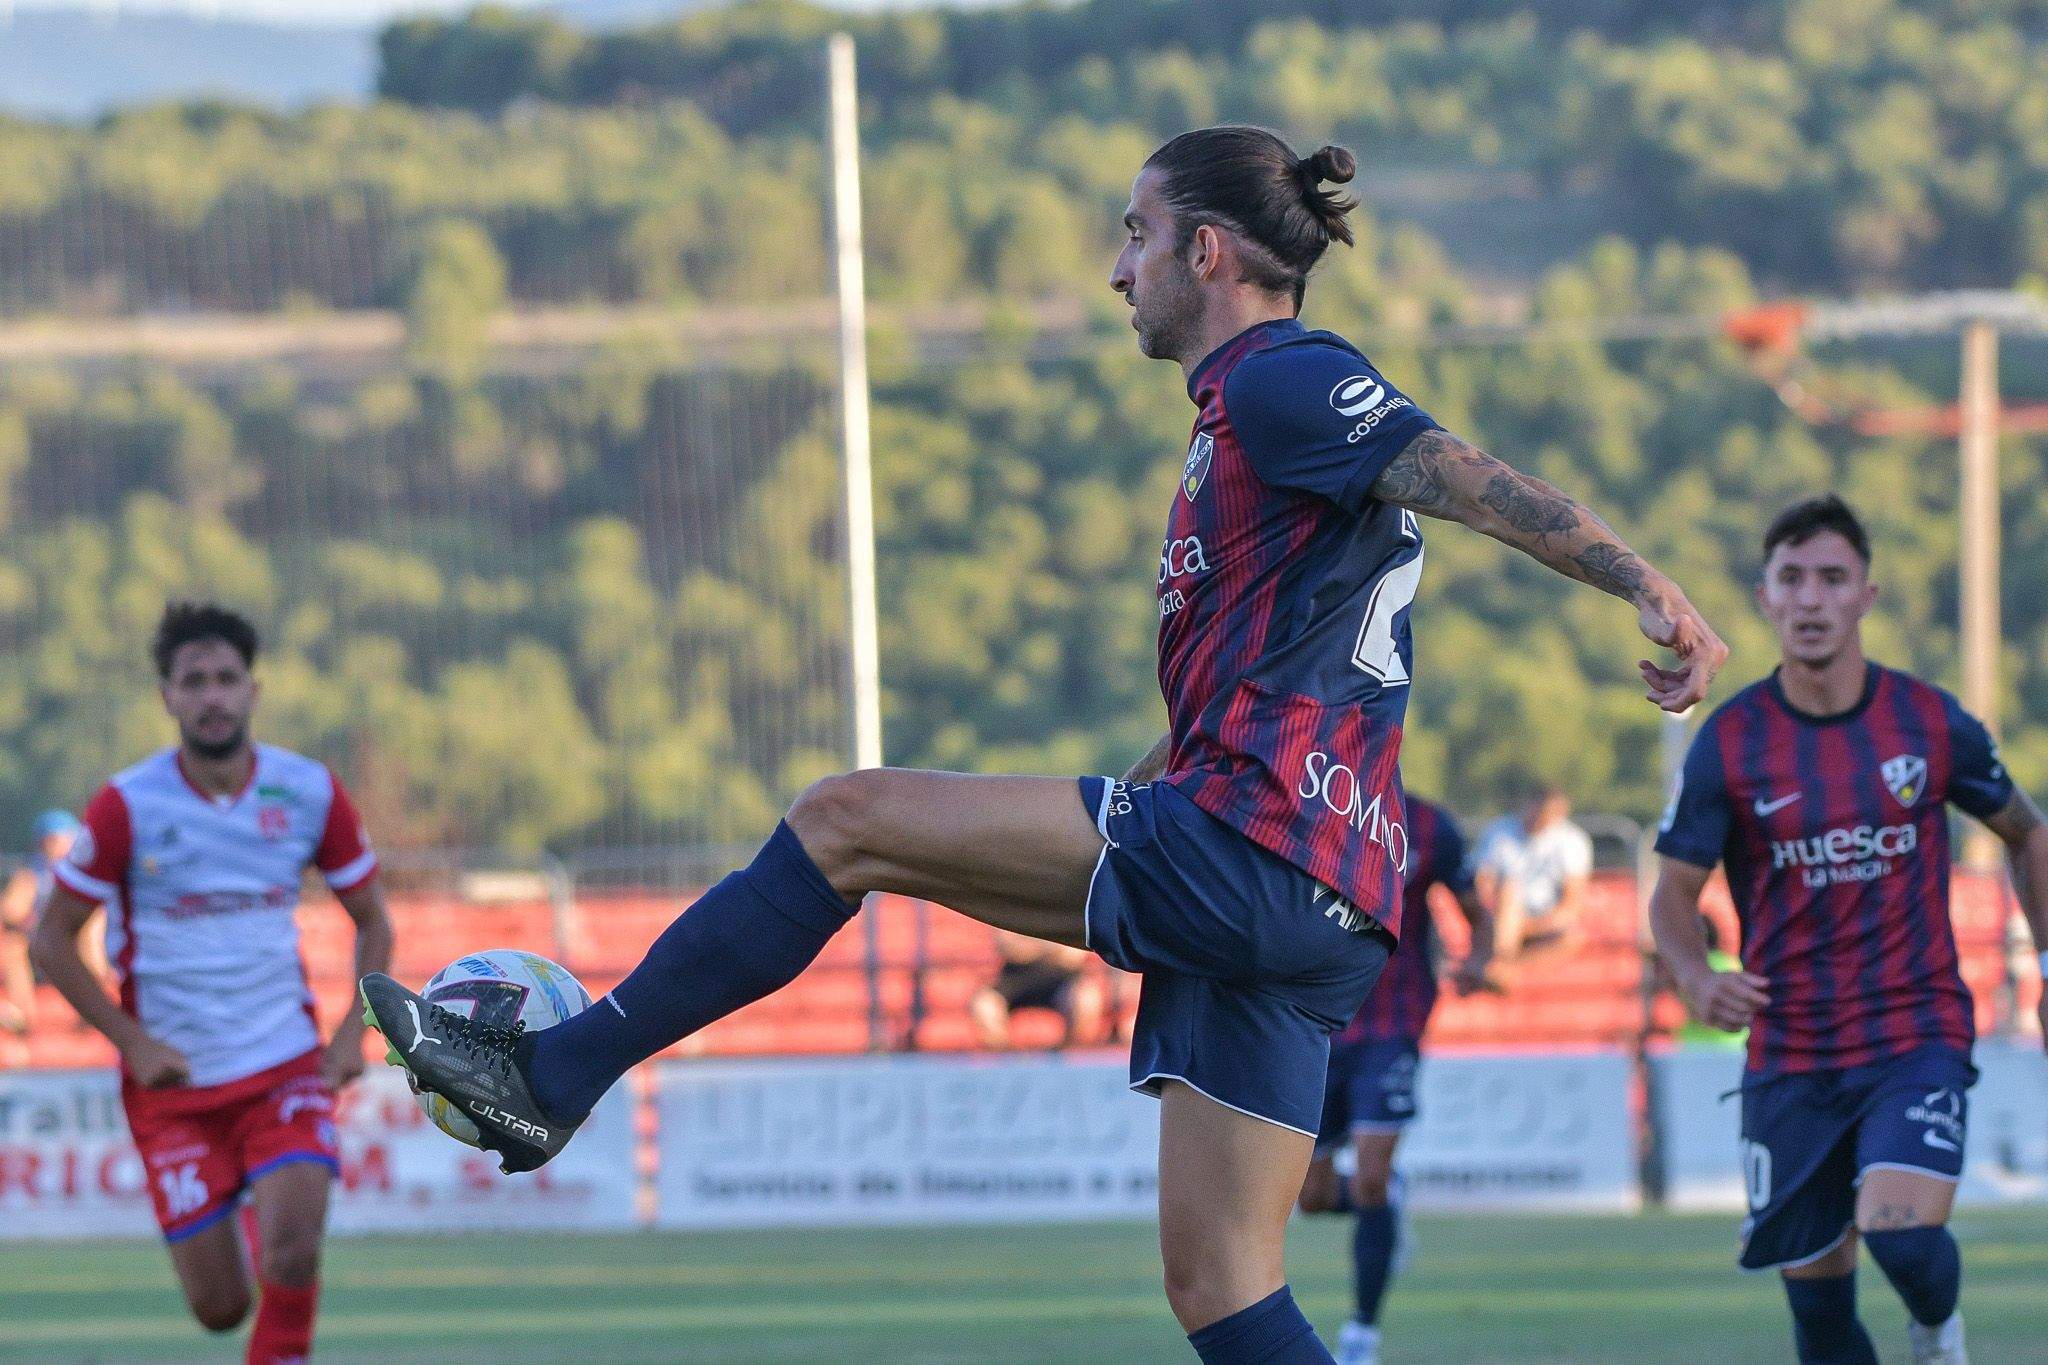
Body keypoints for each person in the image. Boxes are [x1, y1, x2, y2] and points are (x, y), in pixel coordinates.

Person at [363, 125, 1723, 1362]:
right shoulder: (1245, 425)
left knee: (845, 821)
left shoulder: (1285, 378)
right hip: (1314, 897)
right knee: (1225, 1286)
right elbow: (1235, 693)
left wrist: (1642, 580)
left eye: (1134, 234)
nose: (1116, 271)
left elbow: (1462, 473)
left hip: (1255, 848)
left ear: (1207, 250)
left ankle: (557, 1072)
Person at [1650, 496, 2048, 1365]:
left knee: (1902, 1238)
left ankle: (1939, 1333)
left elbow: (2028, 831)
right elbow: (1672, 894)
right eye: (1793, 579)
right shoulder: (1731, 741)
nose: (1812, 598)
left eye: (1833, 578)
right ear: (1765, 597)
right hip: (1790, 1053)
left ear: (1867, 594)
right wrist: (1694, 974)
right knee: (1821, 1320)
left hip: (1914, 1032)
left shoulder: (1929, 721)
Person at [30, 602, 395, 1365]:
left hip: (282, 1066)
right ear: (167, 696)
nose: (212, 695)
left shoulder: (308, 791)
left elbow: (375, 921)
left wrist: (351, 1034)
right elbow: (50, 938)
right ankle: (246, 1204)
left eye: (226, 678)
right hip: (177, 1087)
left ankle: (272, 1202)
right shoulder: (128, 803)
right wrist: (130, 1041)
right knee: (221, 1309)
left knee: (294, 1260)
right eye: (193, 681)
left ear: (253, 690)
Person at [1297, 793, 1493, 1365]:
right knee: (1310, 1198)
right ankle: (1385, 1207)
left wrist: (1480, 959)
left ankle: (1362, 1335)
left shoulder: (1429, 824)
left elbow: (1475, 913)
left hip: (1394, 1024)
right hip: (1318, 1025)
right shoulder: (1305, 812)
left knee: (1372, 1178)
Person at [1474, 782, 1592, 966]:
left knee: (1572, 938)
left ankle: (1503, 967)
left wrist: (1527, 926)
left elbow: (1571, 905)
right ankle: (1500, 965)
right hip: (1500, 916)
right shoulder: (1500, 832)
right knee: (1510, 890)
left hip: (1543, 923)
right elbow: (1482, 883)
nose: (1540, 817)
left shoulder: (1573, 841)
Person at [0, 809, 83, 1039]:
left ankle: (94, 1006)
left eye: (56, 839)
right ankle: (23, 1016)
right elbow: (11, 911)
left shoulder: (84, 867)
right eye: (46, 841)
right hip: (43, 935)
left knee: (90, 935)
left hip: (78, 933)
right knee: (12, 946)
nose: (51, 846)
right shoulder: (33, 872)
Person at [969, 929, 1108, 1049]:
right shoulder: (1012, 904)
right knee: (984, 1003)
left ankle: (1069, 1058)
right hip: (1015, 979)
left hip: (1062, 980)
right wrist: (1052, 947)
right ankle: (1004, 1060)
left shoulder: (1069, 903)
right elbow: (1007, 946)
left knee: (1086, 998)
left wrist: (1029, 947)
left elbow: (1072, 954)